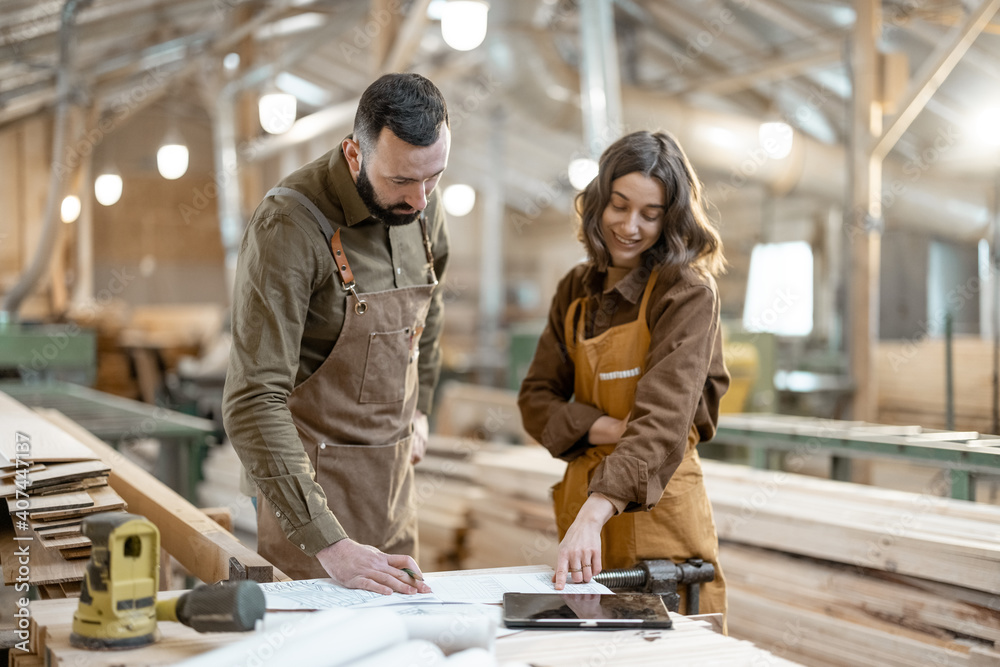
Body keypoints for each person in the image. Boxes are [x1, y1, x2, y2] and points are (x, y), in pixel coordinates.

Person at [222, 73, 451, 595]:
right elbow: (252, 398)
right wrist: (329, 543)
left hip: (391, 487)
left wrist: (421, 410)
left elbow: (427, 313)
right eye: (400, 182)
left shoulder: (422, 205)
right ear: (354, 154)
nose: (419, 200)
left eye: (433, 177)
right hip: (305, 504)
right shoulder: (288, 227)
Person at [517, 130, 730, 623]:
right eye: (618, 205)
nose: (630, 226)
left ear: (670, 218)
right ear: (598, 203)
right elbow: (535, 400)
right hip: (586, 506)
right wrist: (605, 428)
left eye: (650, 214)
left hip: (658, 510)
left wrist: (594, 512)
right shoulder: (576, 288)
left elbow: (662, 420)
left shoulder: (686, 292)